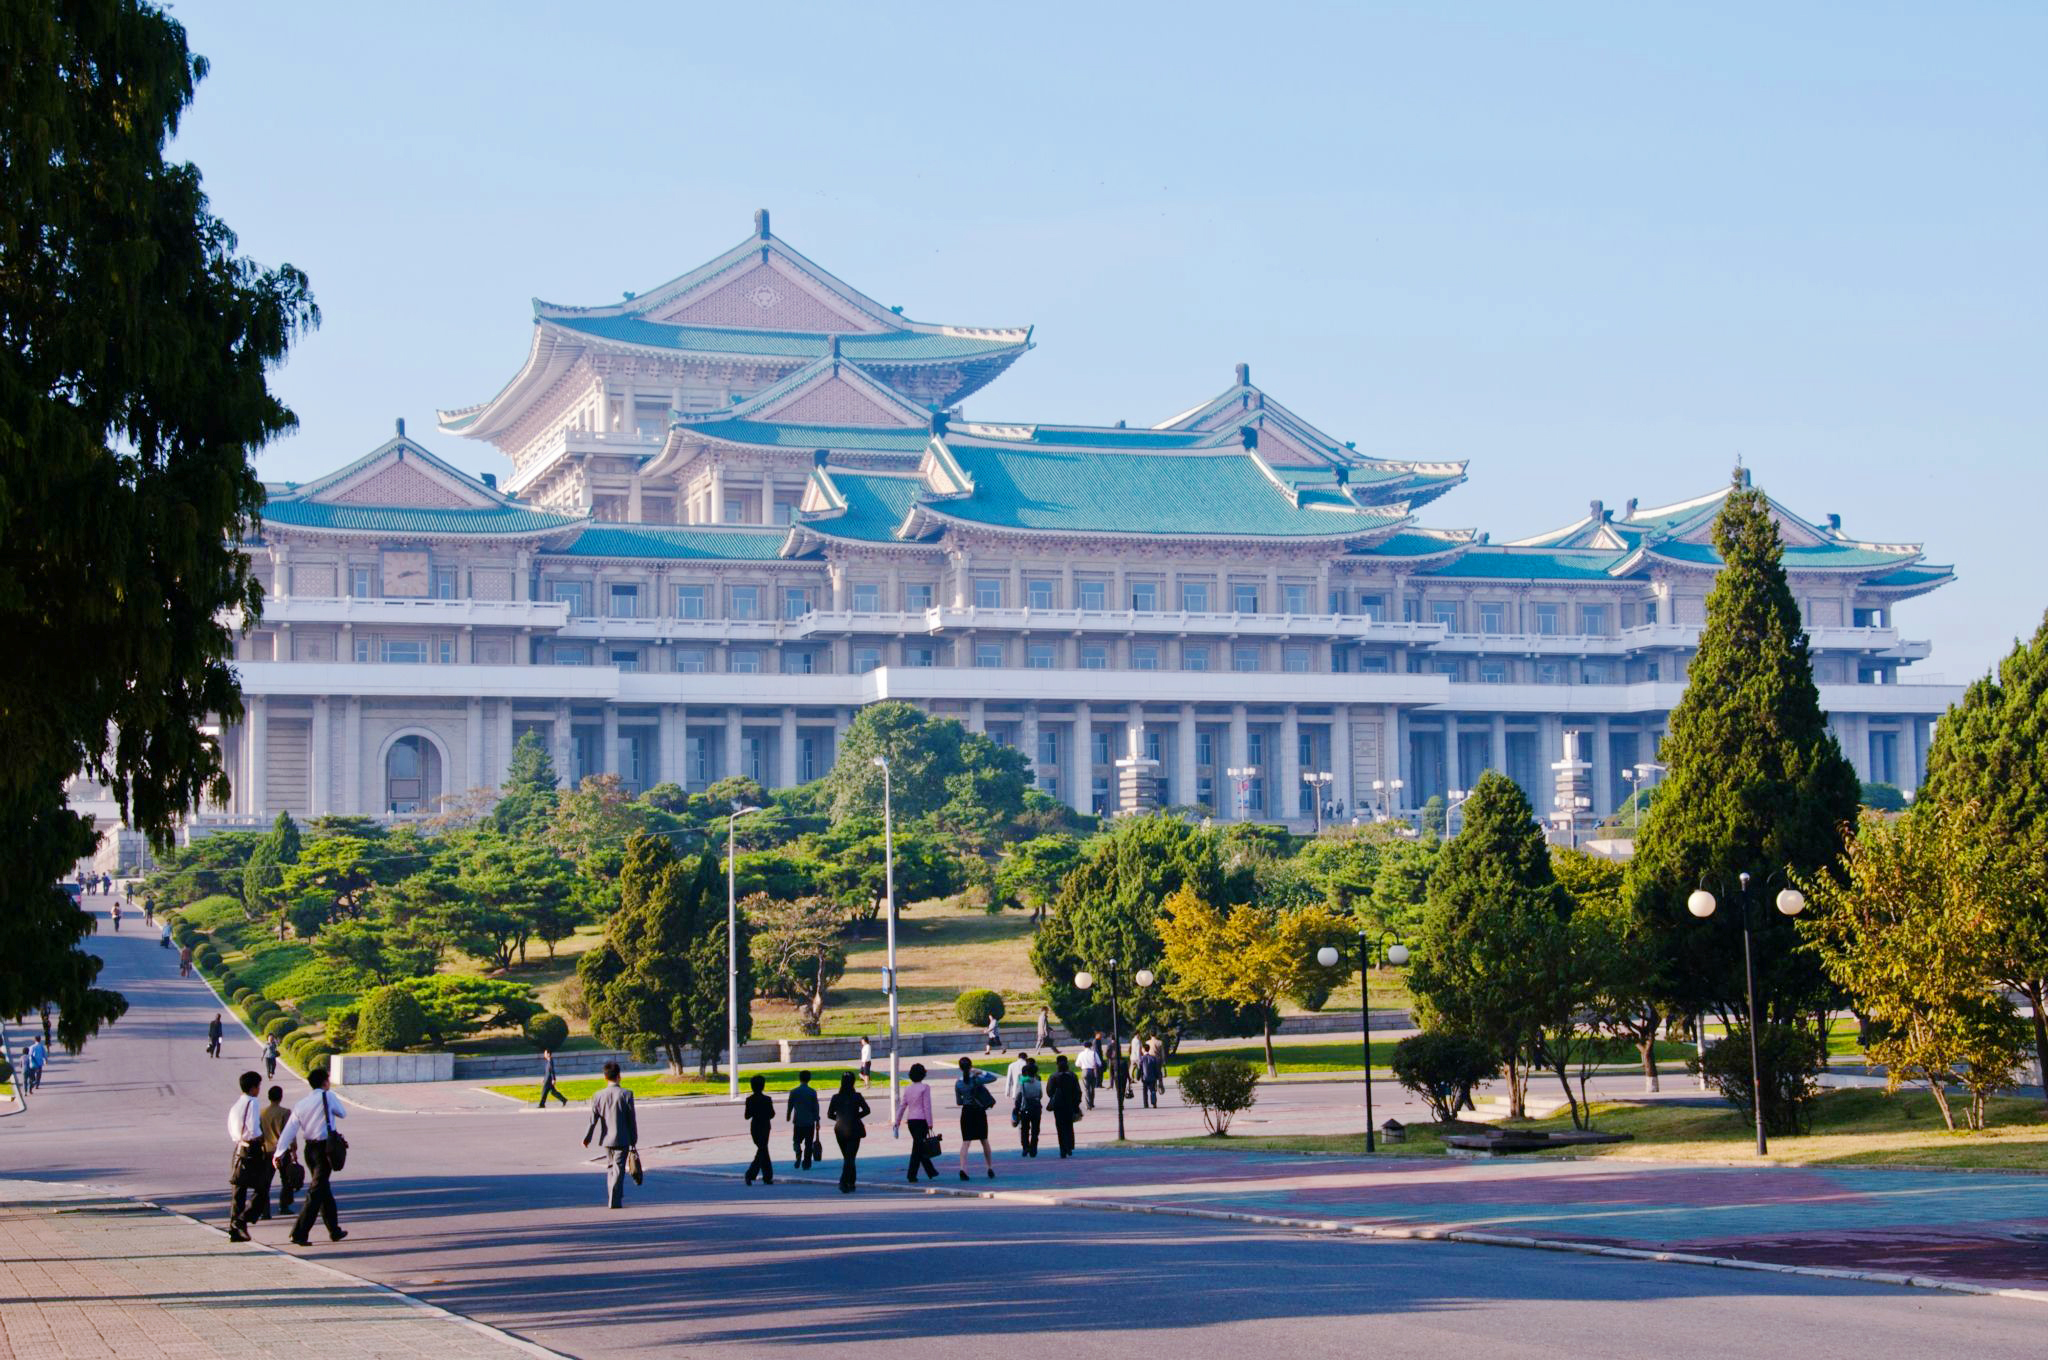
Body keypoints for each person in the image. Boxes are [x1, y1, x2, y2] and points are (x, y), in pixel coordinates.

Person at [275, 1066, 348, 1246]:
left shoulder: (301, 1104)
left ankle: (334, 1230)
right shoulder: (328, 1096)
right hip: (326, 1149)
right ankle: (299, 1233)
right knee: (316, 1191)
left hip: (310, 1150)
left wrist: (278, 1152)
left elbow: (289, 1130)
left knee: (324, 1189)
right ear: (324, 1082)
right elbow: (342, 1113)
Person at [581, 1060, 638, 1209]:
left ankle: (614, 1195)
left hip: (606, 1140)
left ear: (605, 1078)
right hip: (622, 1138)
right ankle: (614, 1198)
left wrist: (587, 1138)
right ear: (620, 1076)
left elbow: (592, 1119)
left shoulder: (598, 1095)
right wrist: (634, 1139)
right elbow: (631, 1120)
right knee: (618, 1169)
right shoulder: (626, 1094)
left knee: (611, 1168)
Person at [225, 1069, 268, 1240]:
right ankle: (243, 1219)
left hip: (239, 1147)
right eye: (258, 1086)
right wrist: (260, 1137)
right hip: (251, 1148)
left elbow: (230, 1126)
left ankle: (234, 1230)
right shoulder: (253, 1102)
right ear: (253, 1088)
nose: (259, 1090)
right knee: (262, 1186)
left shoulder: (237, 1104)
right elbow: (253, 1127)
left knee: (239, 1190)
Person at [953, 1056, 998, 1181]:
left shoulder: (958, 1083)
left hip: (966, 1112)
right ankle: (989, 1167)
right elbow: (993, 1078)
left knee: (966, 1142)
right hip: (979, 1112)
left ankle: (963, 1168)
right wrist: (980, 1071)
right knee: (984, 1140)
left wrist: (966, 1098)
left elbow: (958, 1101)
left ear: (960, 1068)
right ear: (971, 1066)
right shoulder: (976, 1080)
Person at [893, 1062, 938, 1183]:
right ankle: (911, 1175)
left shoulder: (907, 1089)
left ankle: (931, 1171)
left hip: (911, 1122)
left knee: (919, 1146)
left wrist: (897, 1121)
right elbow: (927, 1106)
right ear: (923, 1075)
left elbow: (902, 1106)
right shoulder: (925, 1087)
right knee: (917, 1148)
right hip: (922, 1120)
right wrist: (930, 1123)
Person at [827, 1073, 870, 1193]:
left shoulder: (836, 1097)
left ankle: (851, 1182)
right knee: (850, 1157)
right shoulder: (857, 1096)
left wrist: (840, 1118)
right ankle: (844, 1181)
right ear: (853, 1082)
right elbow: (867, 1110)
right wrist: (856, 1116)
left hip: (840, 1129)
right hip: (854, 1128)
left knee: (848, 1157)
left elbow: (830, 1114)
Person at [259, 1085, 293, 1219]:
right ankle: (284, 1206)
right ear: (281, 1097)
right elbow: (288, 1132)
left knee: (265, 1182)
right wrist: (293, 1147)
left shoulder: (262, 1113)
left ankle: (265, 1211)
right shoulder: (285, 1112)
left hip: (266, 1150)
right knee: (286, 1179)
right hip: (282, 1151)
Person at [1046, 1054, 1083, 1158]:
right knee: (1069, 1126)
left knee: (1060, 1127)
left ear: (1057, 1064)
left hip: (1058, 1106)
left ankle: (1062, 1148)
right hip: (1070, 1104)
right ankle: (1070, 1146)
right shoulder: (1072, 1076)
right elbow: (1078, 1091)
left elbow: (1049, 1091)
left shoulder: (1053, 1077)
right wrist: (1076, 1104)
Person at [743, 1073, 775, 1186]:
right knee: (763, 1150)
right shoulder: (767, 1099)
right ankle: (751, 1174)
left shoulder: (749, 1100)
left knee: (763, 1150)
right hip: (765, 1126)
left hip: (755, 1127)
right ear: (763, 1086)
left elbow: (746, 1116)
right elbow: (772, 1114)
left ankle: (767, 1176)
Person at [786, 1070, 821, 1170]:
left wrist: (788, 1115)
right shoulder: (812, 1092)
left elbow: (790, 1105)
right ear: (809, 1079)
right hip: (810, 1122)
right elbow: (816, 1107)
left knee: (796, 1141)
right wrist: (817, 1120)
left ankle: (798, 1153)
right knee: (808, 1143)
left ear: (799, 1078)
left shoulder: (794, 1092)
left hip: (798, 1121)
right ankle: (806, 1163)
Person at [1013, 1057, 1043, 1157]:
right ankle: (1033, 1148)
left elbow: (1019, 1096)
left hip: (1025, 1108)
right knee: (1035, 1129)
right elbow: (1040, 1095)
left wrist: (1016, 1108)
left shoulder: (1022, 1082)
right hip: (1036, 1108)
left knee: (1024, 1129)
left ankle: (1025, 1147)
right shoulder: (1038, 1081)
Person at [1075, 1038, 1100, 1109]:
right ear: (1091, 1046)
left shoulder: (1081, 1054)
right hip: (1092, 1071)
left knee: (1086, 1088)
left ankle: (1088, 1104)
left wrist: (1082, 1065)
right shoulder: (1094, 1053)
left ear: (1084, 1046)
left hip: (1084, 1071)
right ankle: (1091, 1103)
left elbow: (1077, 1064)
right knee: (1092, 1088)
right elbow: (1099, 1063)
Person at [1138, 1045, 1164, 1109]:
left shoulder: (1141, 1058)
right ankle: (1154, 1103)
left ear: (1144, 1049)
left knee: (1145, 1091)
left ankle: (1145, 1104)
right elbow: (1156, 1068)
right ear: (1149, 1049)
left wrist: (1138, 1076)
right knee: (1152, 1090)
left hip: (1144, 1077)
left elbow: (1140, 1069)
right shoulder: (1153, 1058)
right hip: (1152, 1077)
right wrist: (1157, 1076)